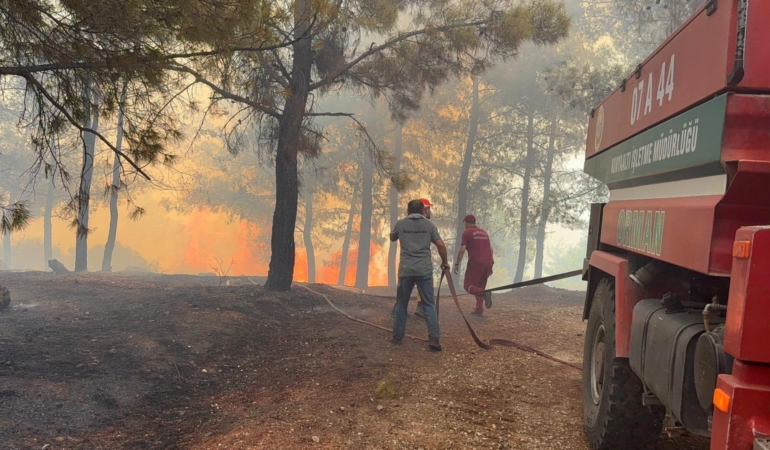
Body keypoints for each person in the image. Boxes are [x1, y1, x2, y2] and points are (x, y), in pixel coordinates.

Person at [390, 199, 450, 351]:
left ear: (408, 211)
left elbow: (392, 237)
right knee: (428, 304)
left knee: (402, 303)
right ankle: (434, 339)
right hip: (424, 270)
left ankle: (397, 337)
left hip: (406, 270)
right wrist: (445, 263)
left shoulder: (400, 223)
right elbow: (441, 245)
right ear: (423, 210)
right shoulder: (430, 225)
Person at [454, 214, 494, 316]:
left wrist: (457, 263)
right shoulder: (484, 232)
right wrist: (491, 264)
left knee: (468, 286)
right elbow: (491, 249)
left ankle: (485, 293)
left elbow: (462, 249)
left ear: (467, 223)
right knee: (480, 285)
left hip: (476, 261)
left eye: (465, 223)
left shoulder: (467, 232)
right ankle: (479, 309)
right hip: (488, 261)